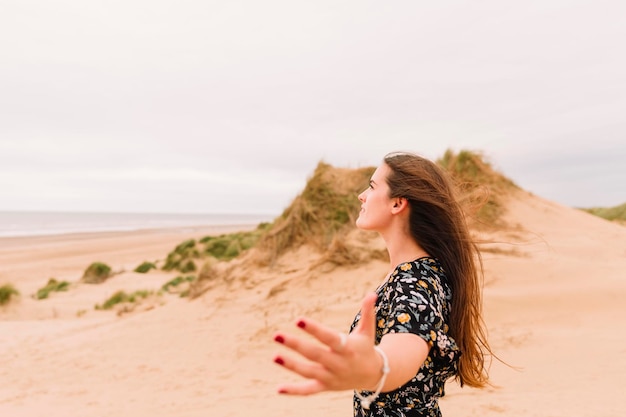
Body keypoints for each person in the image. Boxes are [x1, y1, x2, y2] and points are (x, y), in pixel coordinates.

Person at [272, 151, 492, 416]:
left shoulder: (416, 281)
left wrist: (378, 367)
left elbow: (406, 343)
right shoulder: (413, 273)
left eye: (373, 186)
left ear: (397, 203)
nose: (361, 195)